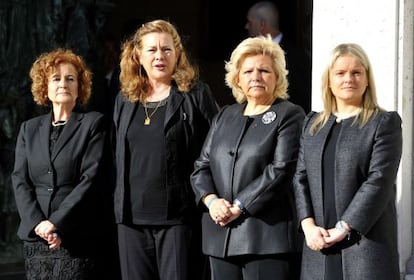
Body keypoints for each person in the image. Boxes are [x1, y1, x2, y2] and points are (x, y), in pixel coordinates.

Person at [191, 35, 305, 280]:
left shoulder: (290, 114)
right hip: (220, 237)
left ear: (277, 77)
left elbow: (281, 170)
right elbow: (201, 167)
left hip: (266, 238)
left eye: (264, 70)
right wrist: (212, 202)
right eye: (248, 71)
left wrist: (239, 206)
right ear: (237, 79)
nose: (256, 77)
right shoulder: (224, 116)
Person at [112, 19, 219, 280]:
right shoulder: (125, 99)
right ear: (137, 55)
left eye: (167, 49)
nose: (160, 56)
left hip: (178, 217)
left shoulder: (195, 95)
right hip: (130, 218)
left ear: (178, 54)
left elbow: (216, 149)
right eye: (152, 50)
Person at [293, 43, 402, 280]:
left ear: (367, 79)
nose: (348, 79)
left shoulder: (383, 123)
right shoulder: (313, 125)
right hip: (319, 245)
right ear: (329, 80)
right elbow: (300, 178)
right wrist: (307, 225)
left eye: (356, 72)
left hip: (364, 247)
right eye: (340, 73)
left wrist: (345, 227)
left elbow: (379, 181)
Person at [11, 48, 107, 279]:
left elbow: (90, 180)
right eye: (56, 78)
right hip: (37, 238)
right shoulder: (29, 128)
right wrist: (38, 224)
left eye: (70, 79)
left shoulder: (93, 123)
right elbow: (20, 180)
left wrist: (56, 223)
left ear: (79, 87)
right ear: (45, 86)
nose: (63, 83)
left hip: (75, 236)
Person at [245, 1, 311, 113]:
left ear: (262, 25)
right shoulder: (247, 55)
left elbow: (301, 99)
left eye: (250, 22)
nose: (246, 26)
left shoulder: (296, 58)